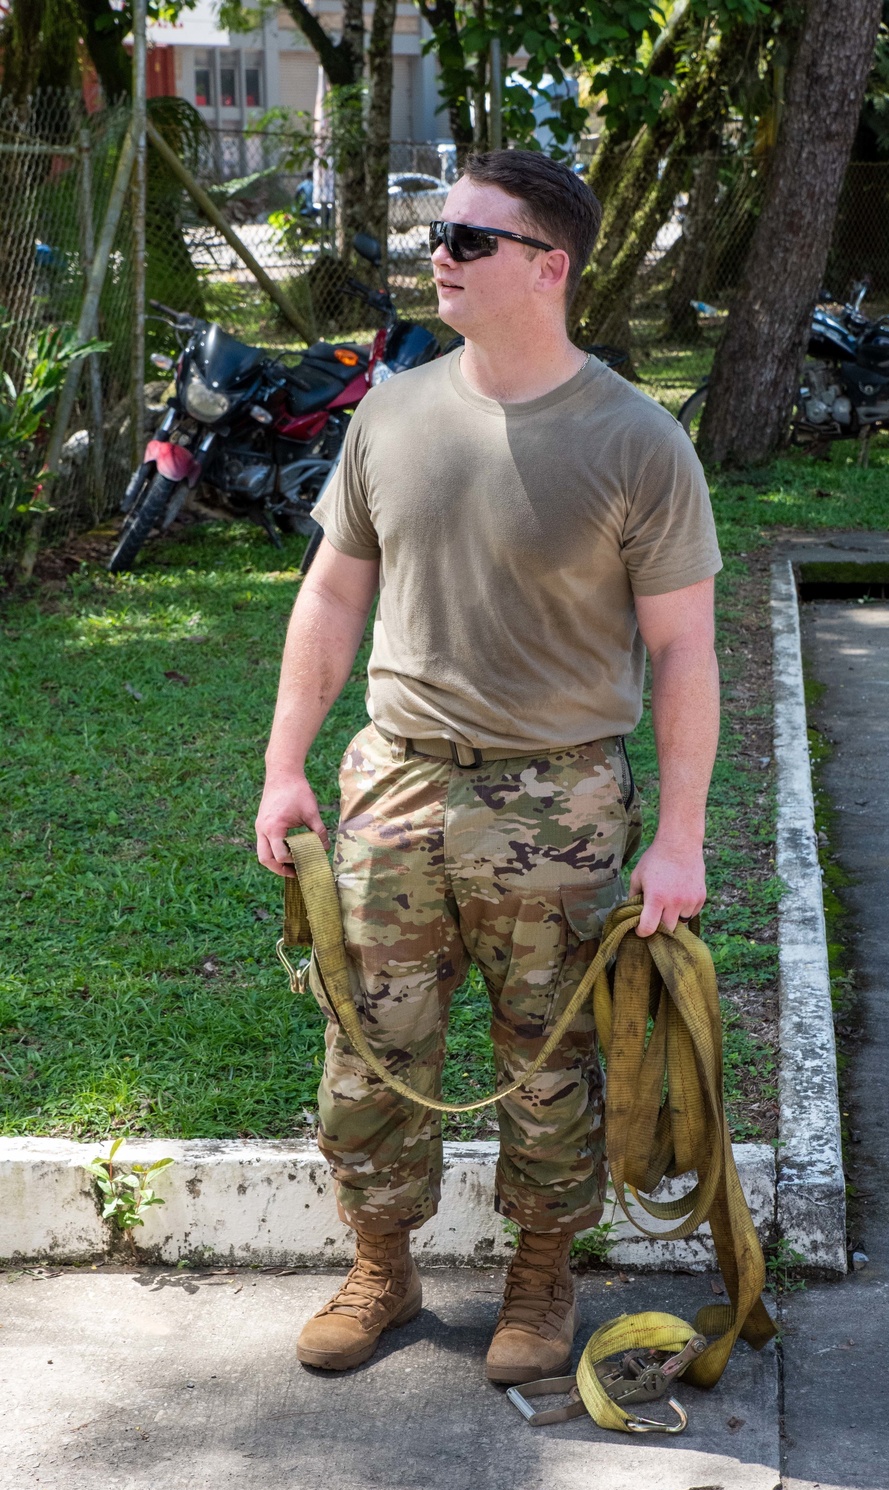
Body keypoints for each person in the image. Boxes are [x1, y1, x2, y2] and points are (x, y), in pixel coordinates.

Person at [255, 149, 722, 1384]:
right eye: (436, 234)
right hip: (395, 786)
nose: (437, 257)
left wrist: (679, 837)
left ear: (547, 268)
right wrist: (283, 765)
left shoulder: (636, 441)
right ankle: (381, 1267)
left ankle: (539, 1277)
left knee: (551, 1062)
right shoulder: (394, 410)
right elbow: (332, 592)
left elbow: (682, 651)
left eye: (467, 239)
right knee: (368, 1049)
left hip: (558, 796)